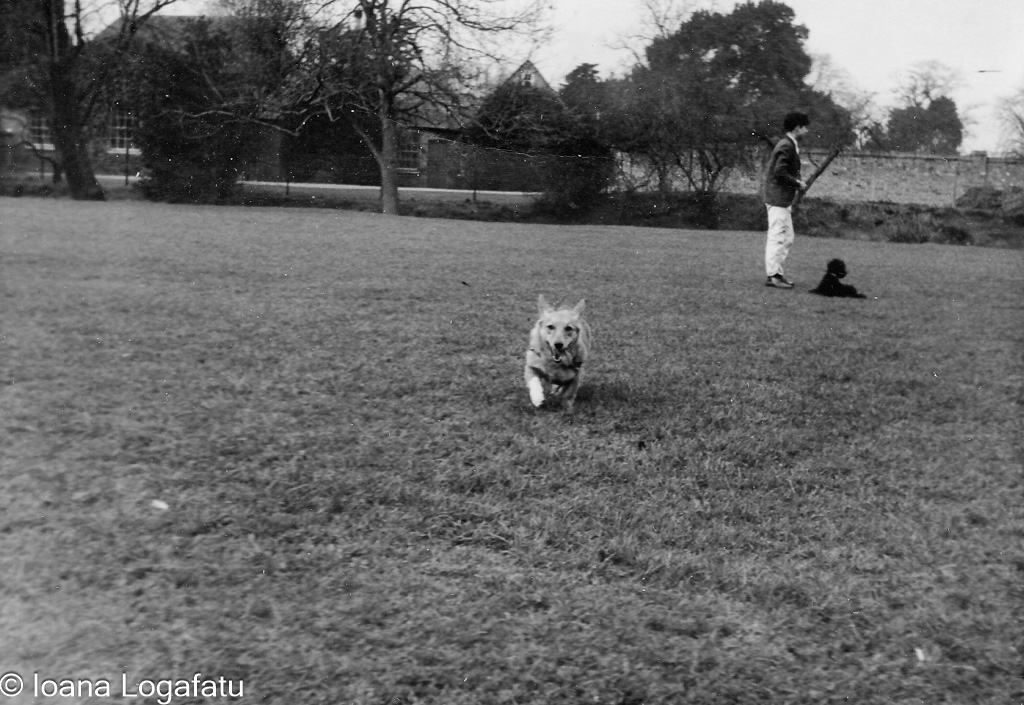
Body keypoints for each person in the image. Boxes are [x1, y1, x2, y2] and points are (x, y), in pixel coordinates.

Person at [763, 111, 810, 289]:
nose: (806, 131)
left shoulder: (790, 144)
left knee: (787, 237)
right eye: (804, 127)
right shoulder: (786, 145)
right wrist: (797, 183)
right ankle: (773, 276)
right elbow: (779, 172)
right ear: (797, 128)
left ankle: (777, 274)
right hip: (778, 198)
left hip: (782, 199)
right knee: (777, 236)